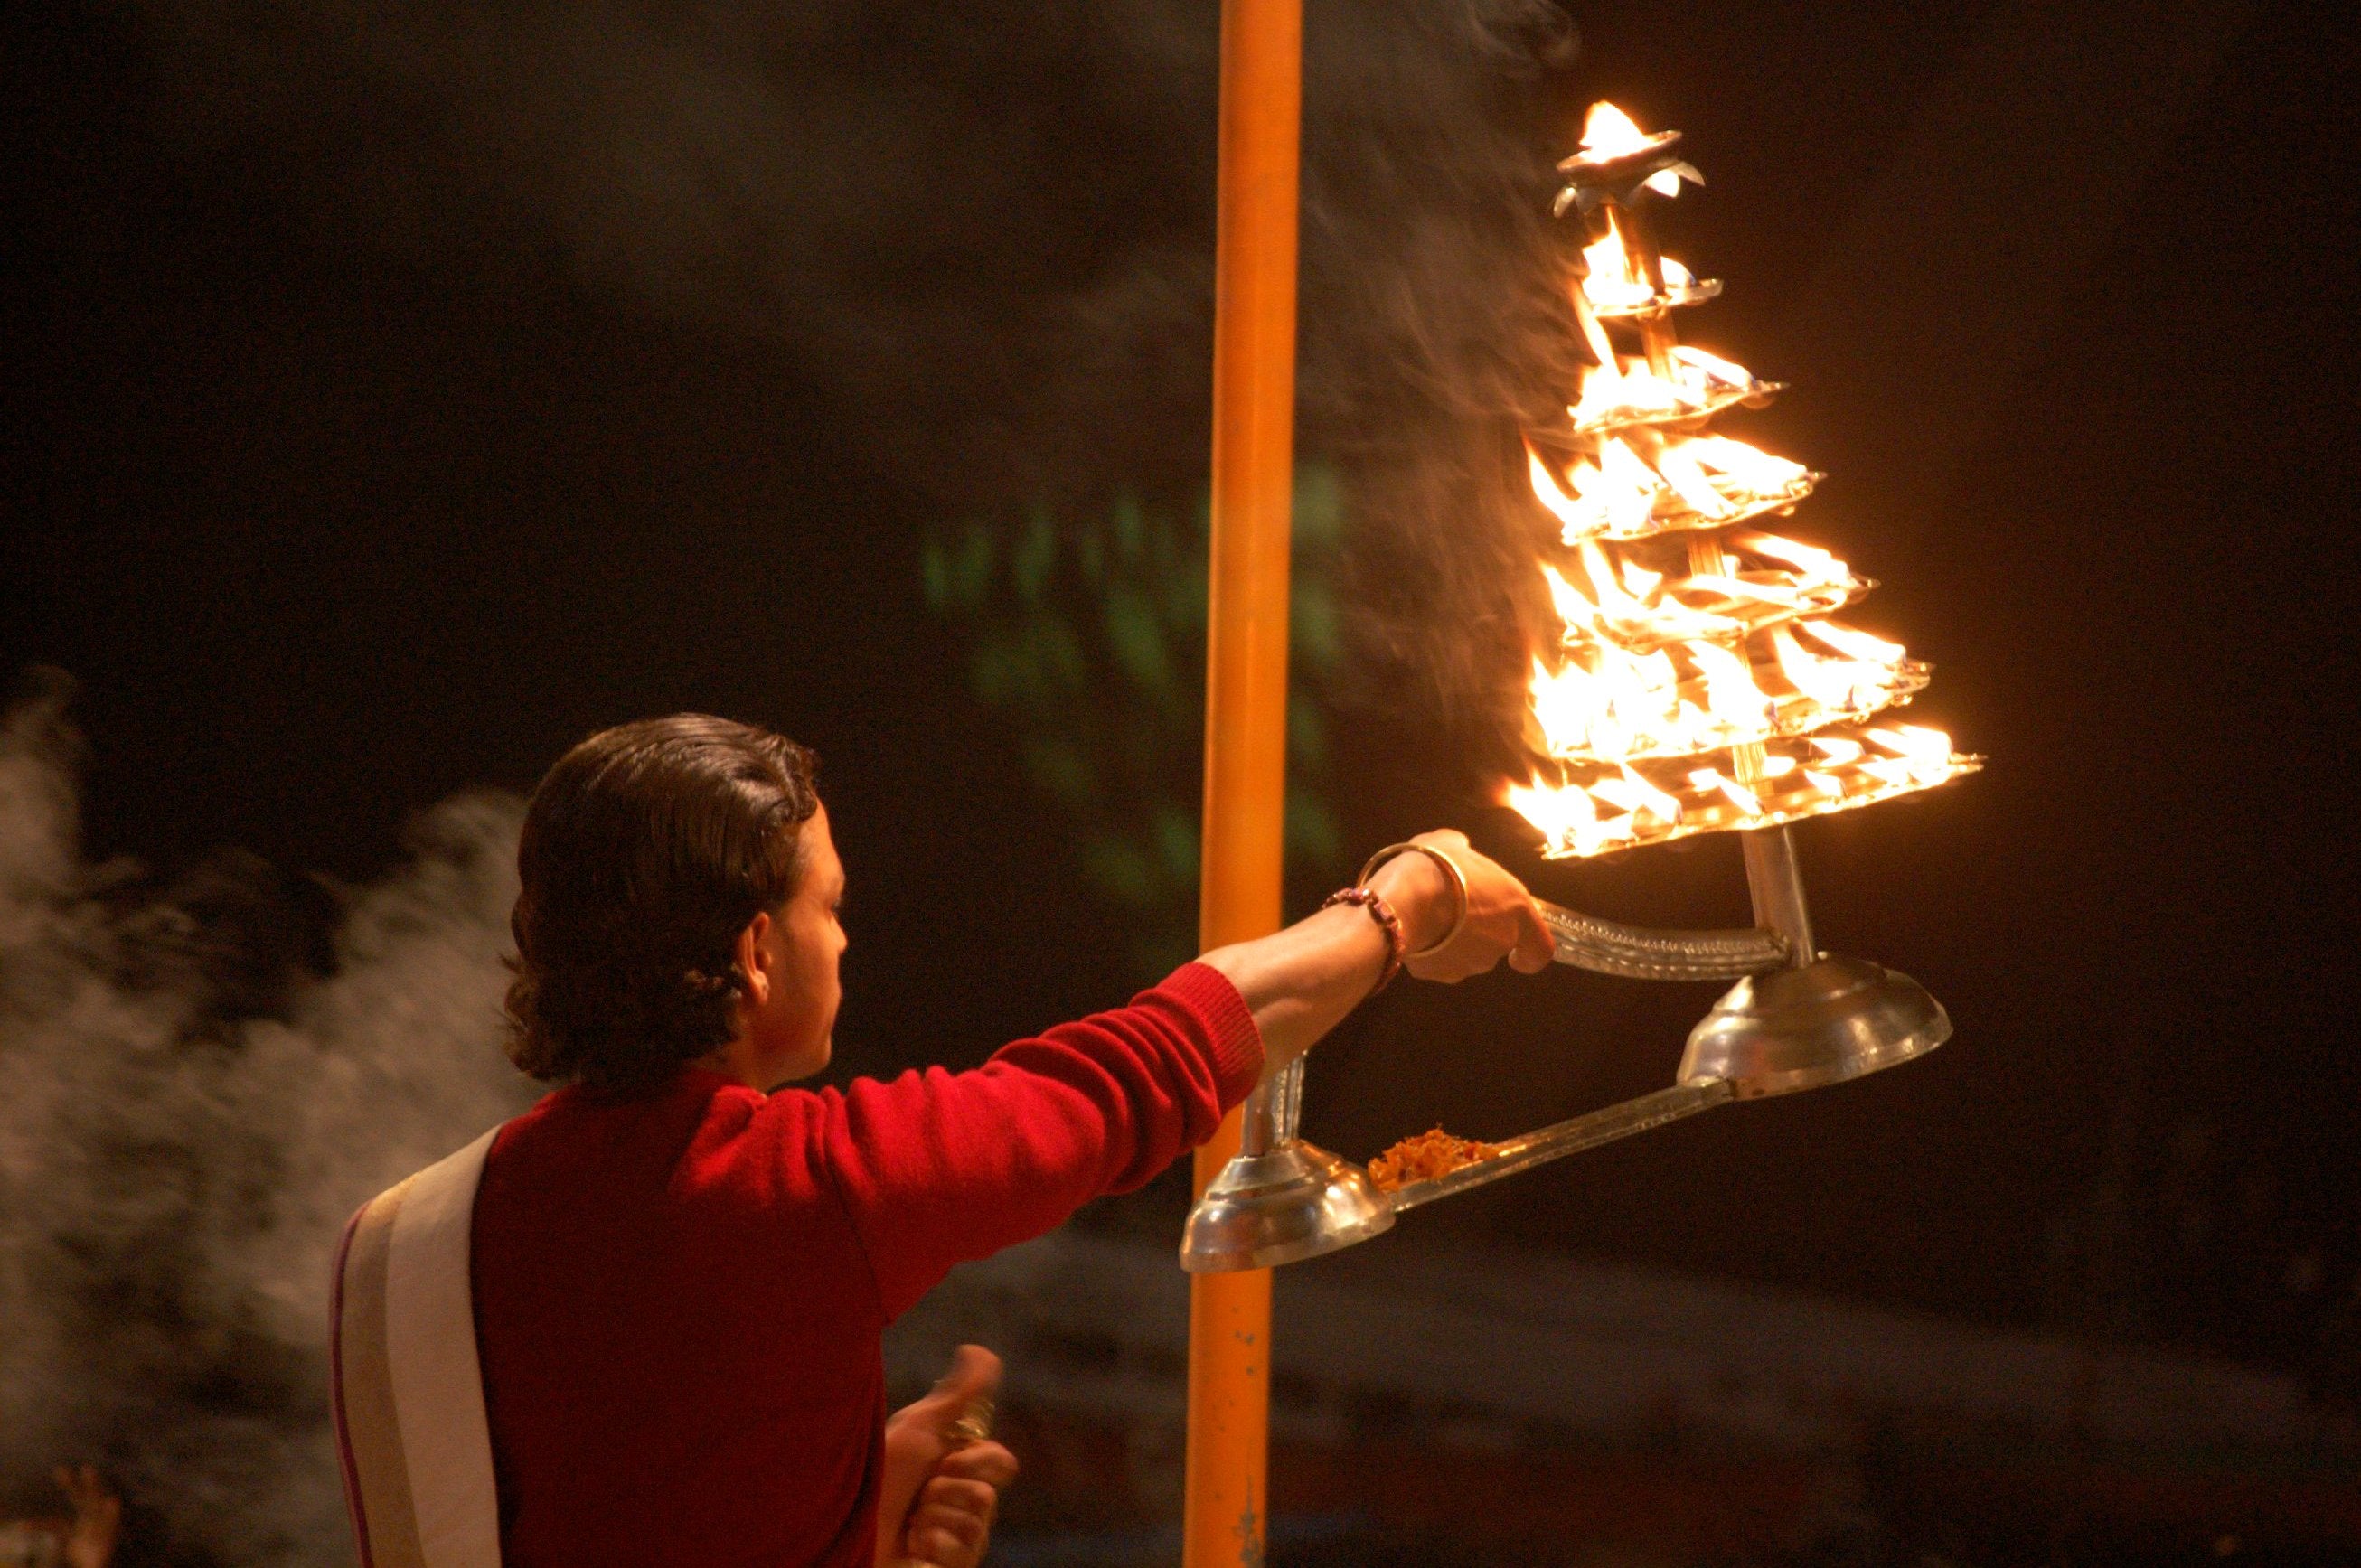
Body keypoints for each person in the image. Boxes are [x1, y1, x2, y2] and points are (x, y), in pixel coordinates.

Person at [334, 714, 1553, 1568]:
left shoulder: (398, 1240)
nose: (847, 942)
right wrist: (1411, 898)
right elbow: (1164, 1057)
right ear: (758, 954)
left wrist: (844, 1519)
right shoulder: (800, 1193)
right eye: (831, 908)